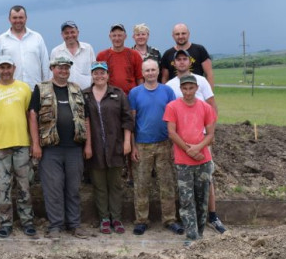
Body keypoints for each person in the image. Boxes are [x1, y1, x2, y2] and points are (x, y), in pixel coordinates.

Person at [28, 56, 92, 239]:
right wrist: (35, 144)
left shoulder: (76, 89)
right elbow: (32, 116)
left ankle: (74, 224)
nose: (63, 71)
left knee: (73, 189)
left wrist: (88, 145)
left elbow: (86, 118)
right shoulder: (41, 89)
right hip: (50, 149)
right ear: (52, 69)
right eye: (60, 67)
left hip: (74, 148)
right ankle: (55, 225)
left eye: (66, 68)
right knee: (53, 189)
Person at [166, 49, 225, 234]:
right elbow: (171, 127)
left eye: (185, 59)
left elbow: (212, 108)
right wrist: (186, 148)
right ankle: (189, 224)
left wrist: (207, 140)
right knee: (185, 187)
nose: (181, 62)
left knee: (206, 184)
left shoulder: (202, 81)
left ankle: (211, 217)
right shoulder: (170, 86)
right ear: (174, 63)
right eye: (178, 59)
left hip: (202, 143)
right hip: (181, 145)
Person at [0, 55, 36, 238]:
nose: (5, 71)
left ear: (14, 68)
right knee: (2, 186)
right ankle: (5, 223)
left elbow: (30, 116)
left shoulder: (24, 88)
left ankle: (27, 221)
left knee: (24, 185)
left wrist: (34, 142)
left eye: (8, 67)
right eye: (2, 67)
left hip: (22, 144)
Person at [163, 74, 217, 245]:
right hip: (183, 161)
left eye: (191, 88)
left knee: (202, 199)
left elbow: (210, 134)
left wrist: (198, 148)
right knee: (186, 200)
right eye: (184, 89)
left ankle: (199, 234)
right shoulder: (172, 107)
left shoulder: (205, 108)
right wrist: (189, 150)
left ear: (196, 88)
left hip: (203, 160)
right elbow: (172, 132)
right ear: (180, 89)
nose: (188, 92)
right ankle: (191, 235)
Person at [82, 62, 134, 235]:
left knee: (115, 185)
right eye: (96, 73)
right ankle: (104, 218)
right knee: (99, 186)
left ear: (107, 75)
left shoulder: (118, 94)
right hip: (95, 147)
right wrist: (86, 145)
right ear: (92, 75)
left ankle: (116, 218)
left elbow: (127, 119)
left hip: (115, 147)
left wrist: (127, 142)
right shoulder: (85, 95)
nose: (99, 76)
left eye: (102, 73)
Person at [128, 59, 179, 236]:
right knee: (141, 185)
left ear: (158, 71)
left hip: (164, 143)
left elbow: (173, 119)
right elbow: (132, 121)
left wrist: (173, 144)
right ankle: (141, 220)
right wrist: (133, 146)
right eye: (147, 70)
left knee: (167, 183)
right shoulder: (135, 93)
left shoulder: (167, 91)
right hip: (142, 145)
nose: (150, 73)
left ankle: (170, 219)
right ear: (142, 73)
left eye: (153, 70)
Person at [0, 5, 50, 90]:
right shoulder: (1, 40)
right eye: (14, 18)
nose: (18, 21)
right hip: (11, 91)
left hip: (35, 90)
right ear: (9, 19)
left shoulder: (37, 38)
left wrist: (46, 88)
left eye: (21, 17)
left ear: (26, 18)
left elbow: (45, 65)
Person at [96, 23, 143, 95]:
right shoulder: (101, 56)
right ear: (110, 37)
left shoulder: (135, 55)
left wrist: (140, 95)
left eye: (120, 35)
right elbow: (97, 78)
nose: (117, 39)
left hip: (130, 96)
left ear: (125, 36)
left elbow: (140, 78)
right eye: (114, 36)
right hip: (109, 97)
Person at [49, 21, 96, 90]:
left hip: (86, 92)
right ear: (62, 35)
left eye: (72, 32)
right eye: (66, 33)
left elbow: (94, 71)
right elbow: (51, 75)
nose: (70, 35)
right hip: (64, 92)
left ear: (78, 32)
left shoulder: (88, 49)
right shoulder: (56, 51)